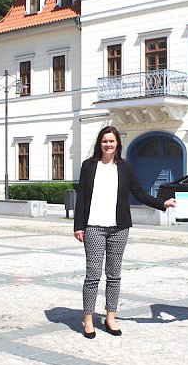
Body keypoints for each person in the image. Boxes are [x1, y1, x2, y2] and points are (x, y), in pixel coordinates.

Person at [73, 126, 175, 339]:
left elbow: (139, 192)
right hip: (94, 227)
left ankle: (111, 317)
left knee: (114, 276)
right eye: (104, 141)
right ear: (99, 144)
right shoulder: (89, 166)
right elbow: (81, 195)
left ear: (117, 143)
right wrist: (78, 225)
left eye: (111, 141)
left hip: (119, 228)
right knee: (92, 275)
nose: (108, 144)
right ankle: (89, 319)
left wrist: (162, 203)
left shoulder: (125, 167)